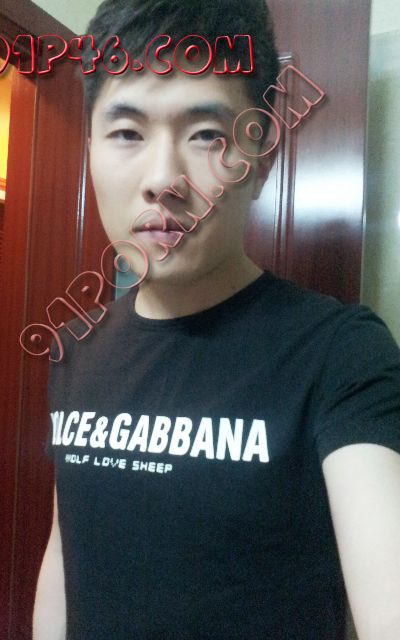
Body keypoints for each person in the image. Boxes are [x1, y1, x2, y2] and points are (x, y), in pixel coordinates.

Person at [33, 1, 400, 639]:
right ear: (89, 149)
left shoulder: (341, 357)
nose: (164, 180)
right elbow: (66, 551)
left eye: (207, 134)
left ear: (260, 164)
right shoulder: (74, 346)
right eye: (127, 132)